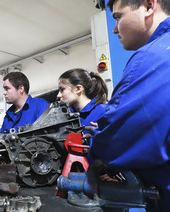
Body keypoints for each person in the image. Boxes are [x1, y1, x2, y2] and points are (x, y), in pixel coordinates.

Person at [90, 0, 170, 210]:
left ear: (148, 6)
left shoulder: (151, 57)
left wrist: (96, 141)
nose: (115, 28)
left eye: (118, 16)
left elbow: (117, 143)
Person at [57, 68, 108, 141]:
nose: (58, 95)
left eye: (62, 89)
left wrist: (105, 134)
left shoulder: (104, 111)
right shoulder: (66, 117)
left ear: (78, 89)